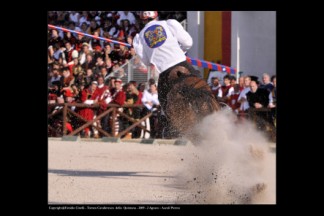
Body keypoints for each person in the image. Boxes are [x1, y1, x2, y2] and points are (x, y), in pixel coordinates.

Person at [133, 11, 200, 116]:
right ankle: (220, 105)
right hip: (182, 63)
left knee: (165, 106)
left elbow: (146, 61)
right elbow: (188, 42)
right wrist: (180, 51)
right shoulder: (169, 24)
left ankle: (167, 124)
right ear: (156, 15)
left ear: (142, 19)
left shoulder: (139, 38)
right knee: (201, 87)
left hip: (164, 73)